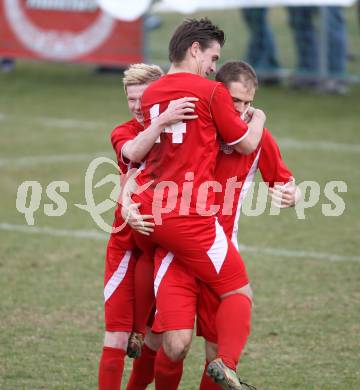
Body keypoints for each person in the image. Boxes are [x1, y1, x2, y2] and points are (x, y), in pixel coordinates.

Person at [125, 17, 266, 390]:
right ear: (194, 49)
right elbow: (246, 144)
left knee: (173, 337)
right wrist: (260, 117)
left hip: (151, 208)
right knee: (238, 290)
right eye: (213, 57)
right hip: (188, 214)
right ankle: (227, 364)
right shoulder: (211, 91)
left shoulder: (153, 93)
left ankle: (141, 329)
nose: (214, 67)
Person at [147, 60, 300, 389]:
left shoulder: (258, 136)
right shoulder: (197, 129)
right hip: (179, 251)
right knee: (175, 346)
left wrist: (292, 194)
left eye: (249, 103)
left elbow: (285, 181)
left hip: (221, 251)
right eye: (235, 102)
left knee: (216, 353)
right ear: (218, 94)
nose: (242, 110)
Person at [98, 63, 197, 390]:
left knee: (157, 337)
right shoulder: (123, 131)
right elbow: (133, 154)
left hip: (167, 245)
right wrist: (161, 121)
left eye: (145, 97)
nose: (138, 105)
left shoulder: (182, 134)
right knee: (116, 334)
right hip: (126, 244)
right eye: (131, 99)